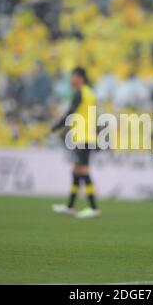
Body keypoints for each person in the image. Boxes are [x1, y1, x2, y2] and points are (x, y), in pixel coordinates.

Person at [51, 67, 101, 219]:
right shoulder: (90, 93)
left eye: (73, 77)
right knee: (76, 171)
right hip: (87, 135)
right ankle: (70, 206)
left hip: (82, 136)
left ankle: (93, 208)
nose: (71, 80)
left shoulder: (80, 93)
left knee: (83, 171)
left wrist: (57, 126)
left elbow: (70, 111)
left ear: (80, 78)